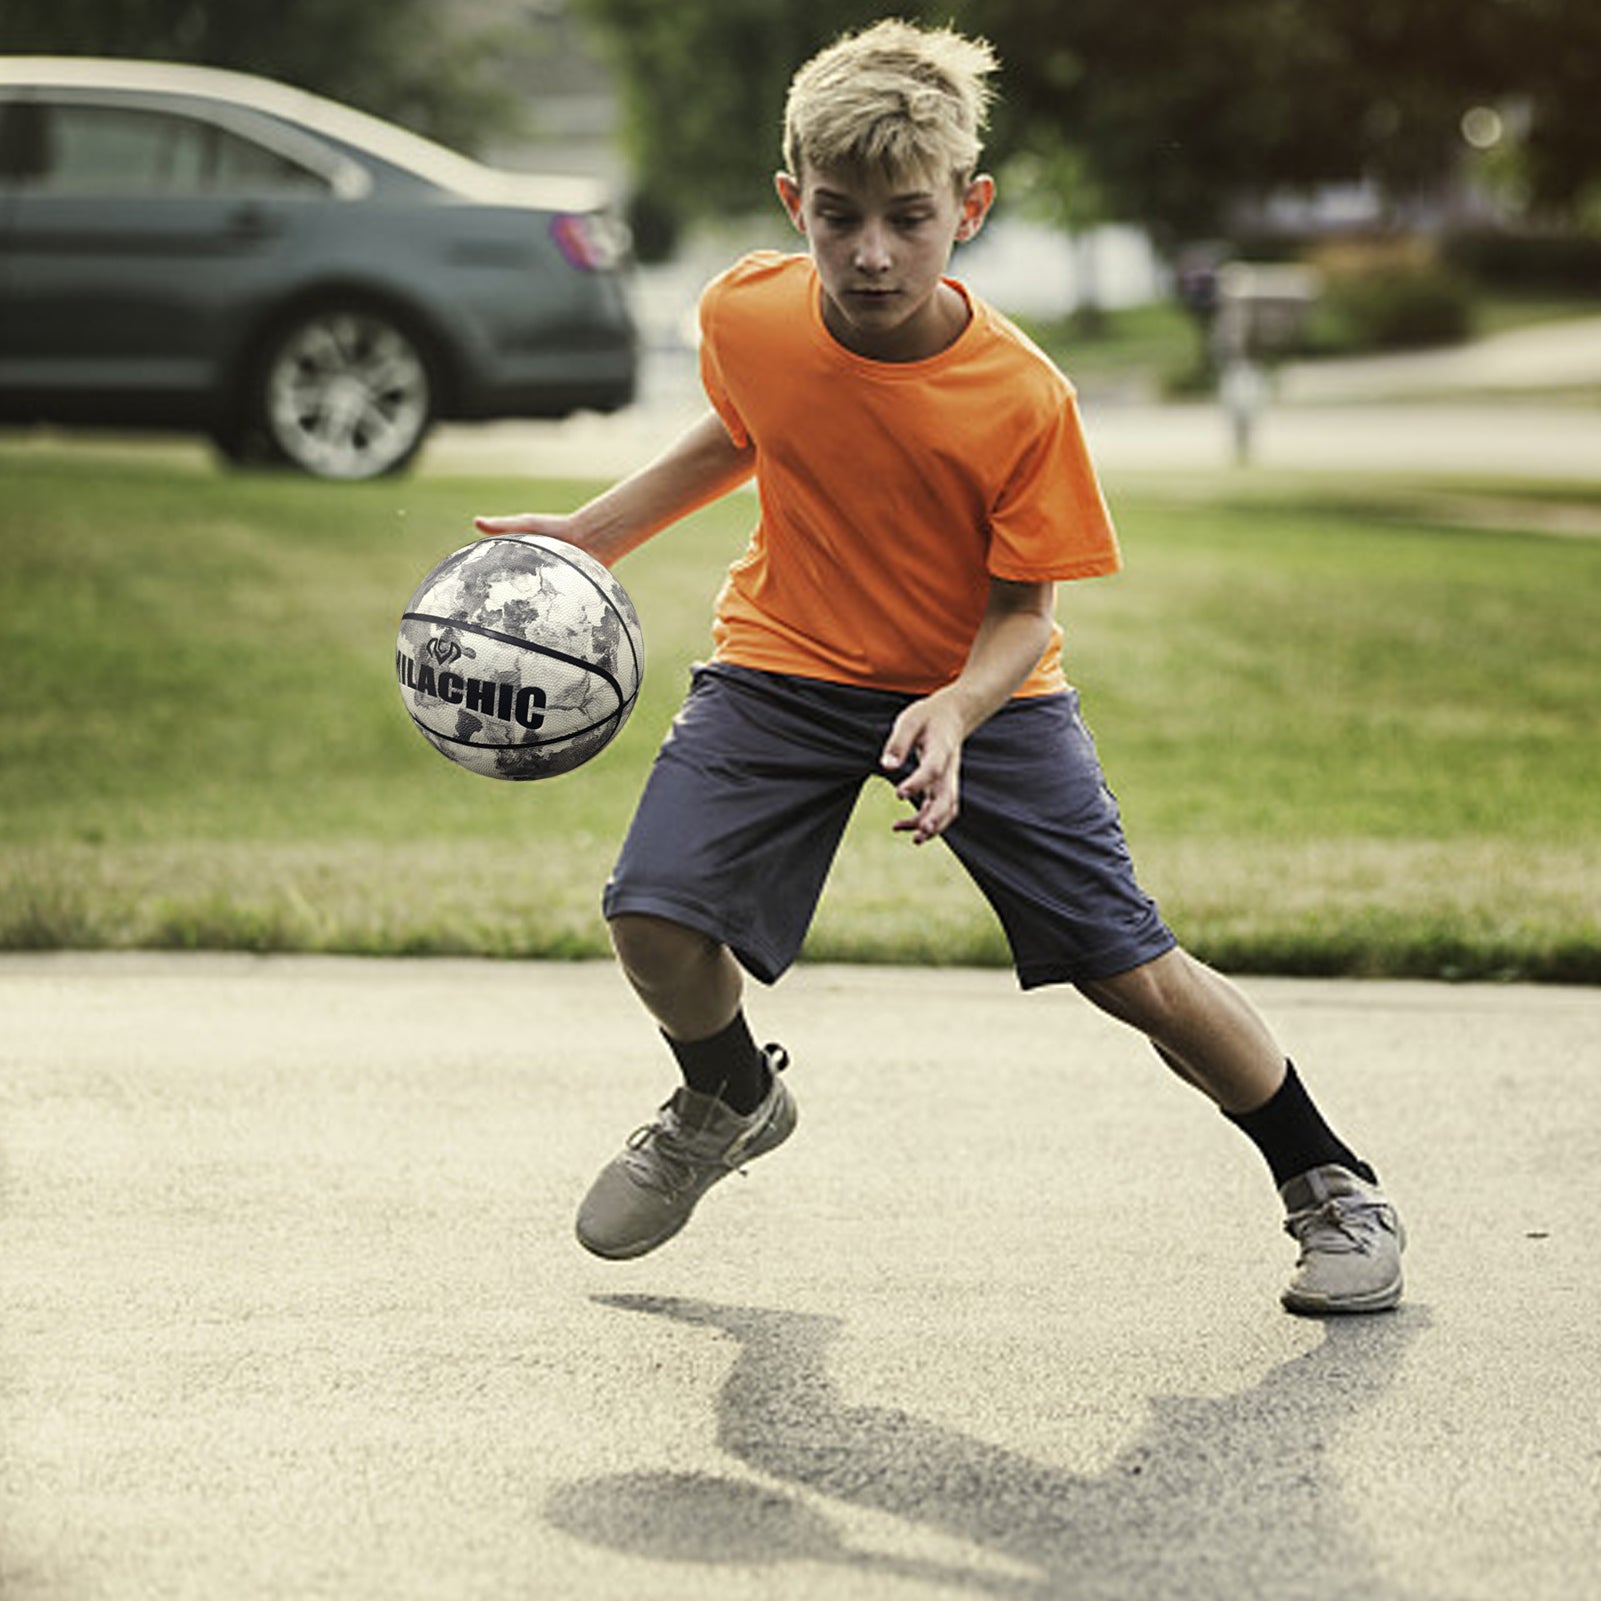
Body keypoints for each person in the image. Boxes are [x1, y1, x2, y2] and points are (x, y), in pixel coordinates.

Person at [476, 19, 1404, 1315]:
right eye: (838, 216)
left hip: (984, 689)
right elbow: (745, 428)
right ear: (792, 202)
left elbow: (1026, 611)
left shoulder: (1020, 398)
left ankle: (1332, 1184)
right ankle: (728, 1096)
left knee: (1127, 970)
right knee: (650, 917)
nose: (868, 252)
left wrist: (958, 708)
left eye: (905, 218)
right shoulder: (746, 310)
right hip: (782, 660)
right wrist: (593, 534)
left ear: (966, 209)